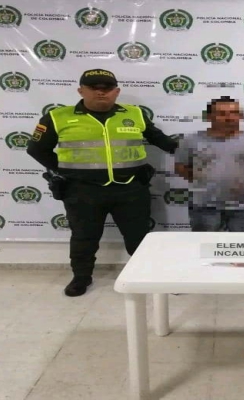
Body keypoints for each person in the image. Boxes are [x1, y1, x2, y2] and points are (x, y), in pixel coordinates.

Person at [27, 68, 178, 297]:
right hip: (82, 191)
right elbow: (36, 149)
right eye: (93, 88)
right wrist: (66, 171)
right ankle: (81, 278)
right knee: (84, 238)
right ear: (81, 91)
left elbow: (162, 141)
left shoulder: (135, 113)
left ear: (116, 91)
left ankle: (147, 276)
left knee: (139, 237)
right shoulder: (57, 117)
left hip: (130, 189)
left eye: (107, 88)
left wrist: (197, 150)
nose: (101, 92)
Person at [174, 96, 244, 232]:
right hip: (204, 206)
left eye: (234, 113)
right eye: (221, 113)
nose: (229, 117)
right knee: (205, 243)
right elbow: (181, 167)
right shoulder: (190, 141)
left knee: (240, 244)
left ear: (241, 116)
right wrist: (204, 182)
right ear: (209, 117)